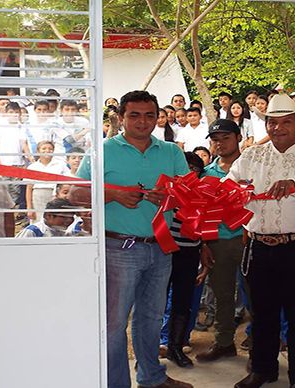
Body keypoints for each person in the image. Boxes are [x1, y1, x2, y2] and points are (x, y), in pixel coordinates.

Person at [75, 90, 193, 388]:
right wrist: (113, 194)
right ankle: (116, 383)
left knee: (151, 318)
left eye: (149, 115)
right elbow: (74, 193)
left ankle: (151, 377)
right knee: (114, 324)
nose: (143, 122)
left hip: (160, 247)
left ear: (158, 117)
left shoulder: (171, 151)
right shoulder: (102, 151)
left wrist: (168, 197)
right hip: (118, 248)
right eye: (135, 115)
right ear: (121, 117)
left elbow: (187, 197)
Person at [228, 93, 295, 388]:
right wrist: (233, 193)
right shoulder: (251, 155)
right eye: (272, 122)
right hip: (258, 245)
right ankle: (263, 368)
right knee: (262, 313)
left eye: (286, 122)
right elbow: (228, 186)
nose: (278, 128)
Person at [195, 119, 245, 364]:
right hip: (218, 241)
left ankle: (262, 346)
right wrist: (204, 244)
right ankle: (224, 343)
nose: (220, 143)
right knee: (222, 295)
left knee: (258, 295)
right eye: (215, 139)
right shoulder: (206, 173)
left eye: (226, 137)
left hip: (249, 239)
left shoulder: (253, 165)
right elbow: (200, 212)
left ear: (238, 137)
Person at [162, 152, 212, 368]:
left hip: (190, 253)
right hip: (165, 251)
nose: (191, 172)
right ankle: (151, 350)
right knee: (157, 302)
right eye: (187, 167)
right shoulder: (167, 191)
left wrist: (203, 249)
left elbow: (205, 229)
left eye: (195, 169)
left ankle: (176, 346)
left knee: (183, 302)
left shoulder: (203, 196)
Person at [25, 140, 71, 223]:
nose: (47, 151)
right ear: (38, 151)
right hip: (38, 197)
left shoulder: (60, 165)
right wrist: (29, 208)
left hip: (55, 196)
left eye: (50, 149)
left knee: (54, 221)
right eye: (44, 148)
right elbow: (29, 188)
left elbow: (68, 181)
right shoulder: (33, 167)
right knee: (39, 222)